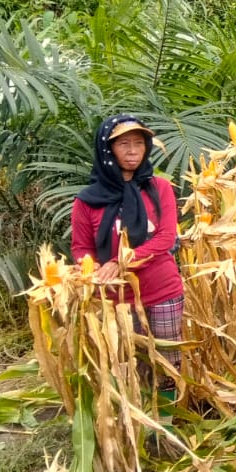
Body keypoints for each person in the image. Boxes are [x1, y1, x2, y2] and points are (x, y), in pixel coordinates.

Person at [71, 114, 184, 366]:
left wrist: (120, 261)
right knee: (129, 367)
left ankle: (169, 404)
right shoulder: (87, 200)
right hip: (116, 298)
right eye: (123, 144)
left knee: (169, 365)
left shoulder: (160, 189)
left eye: (139, 143)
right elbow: (81, 247)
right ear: (107, 149)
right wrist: (90, 267)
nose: (133, 151)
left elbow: (165, 238)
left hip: (162, 291)